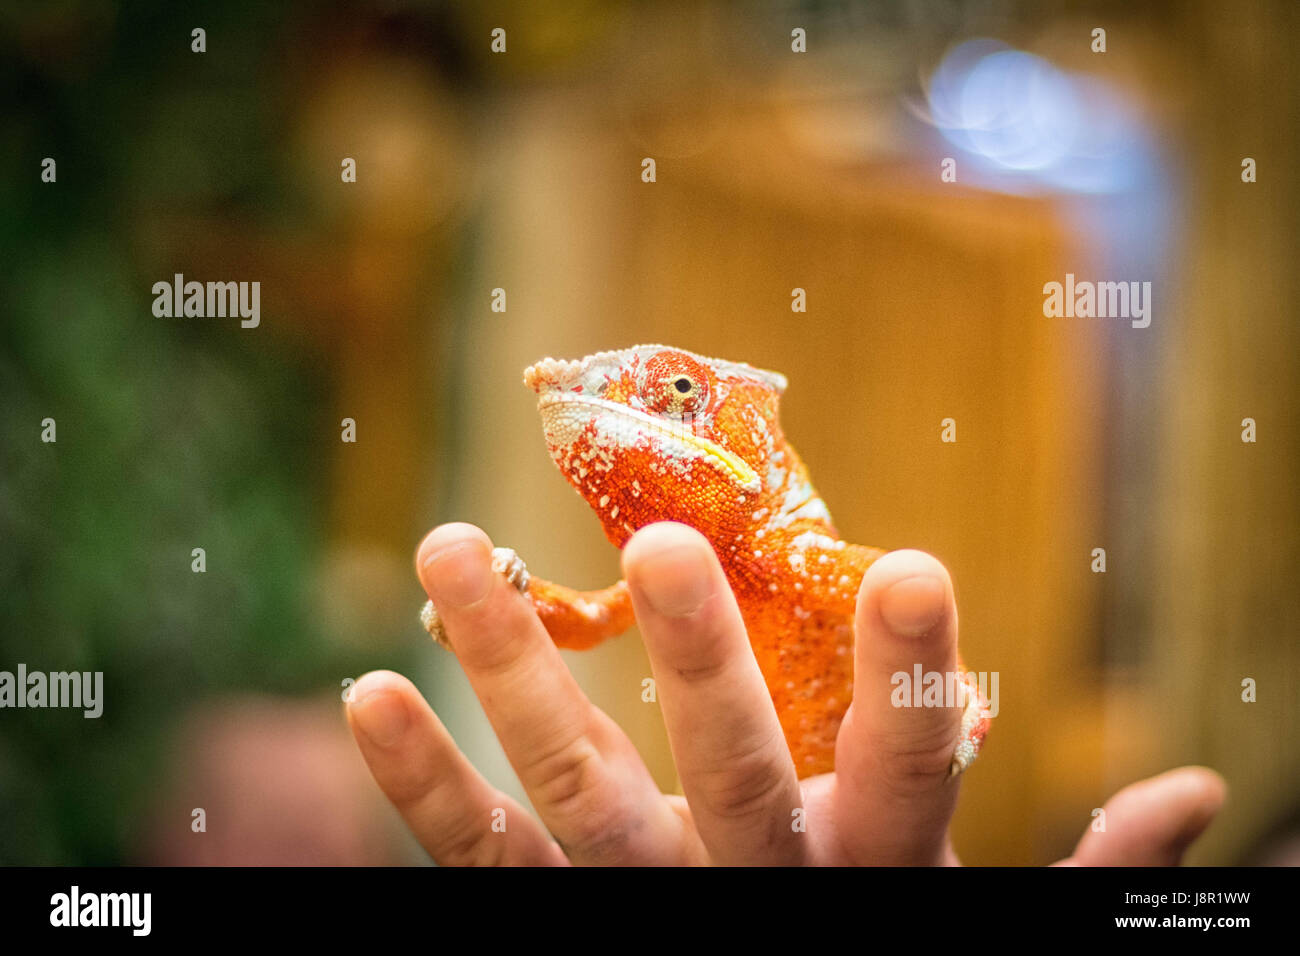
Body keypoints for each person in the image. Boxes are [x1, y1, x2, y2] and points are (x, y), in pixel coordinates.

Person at [347, 521, 1225, 865]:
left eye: (682, 395)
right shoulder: (705, 562)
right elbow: (592, 620)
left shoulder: (786, 543)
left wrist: (962, 707)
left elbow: (895, 597)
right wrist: (515, 595)